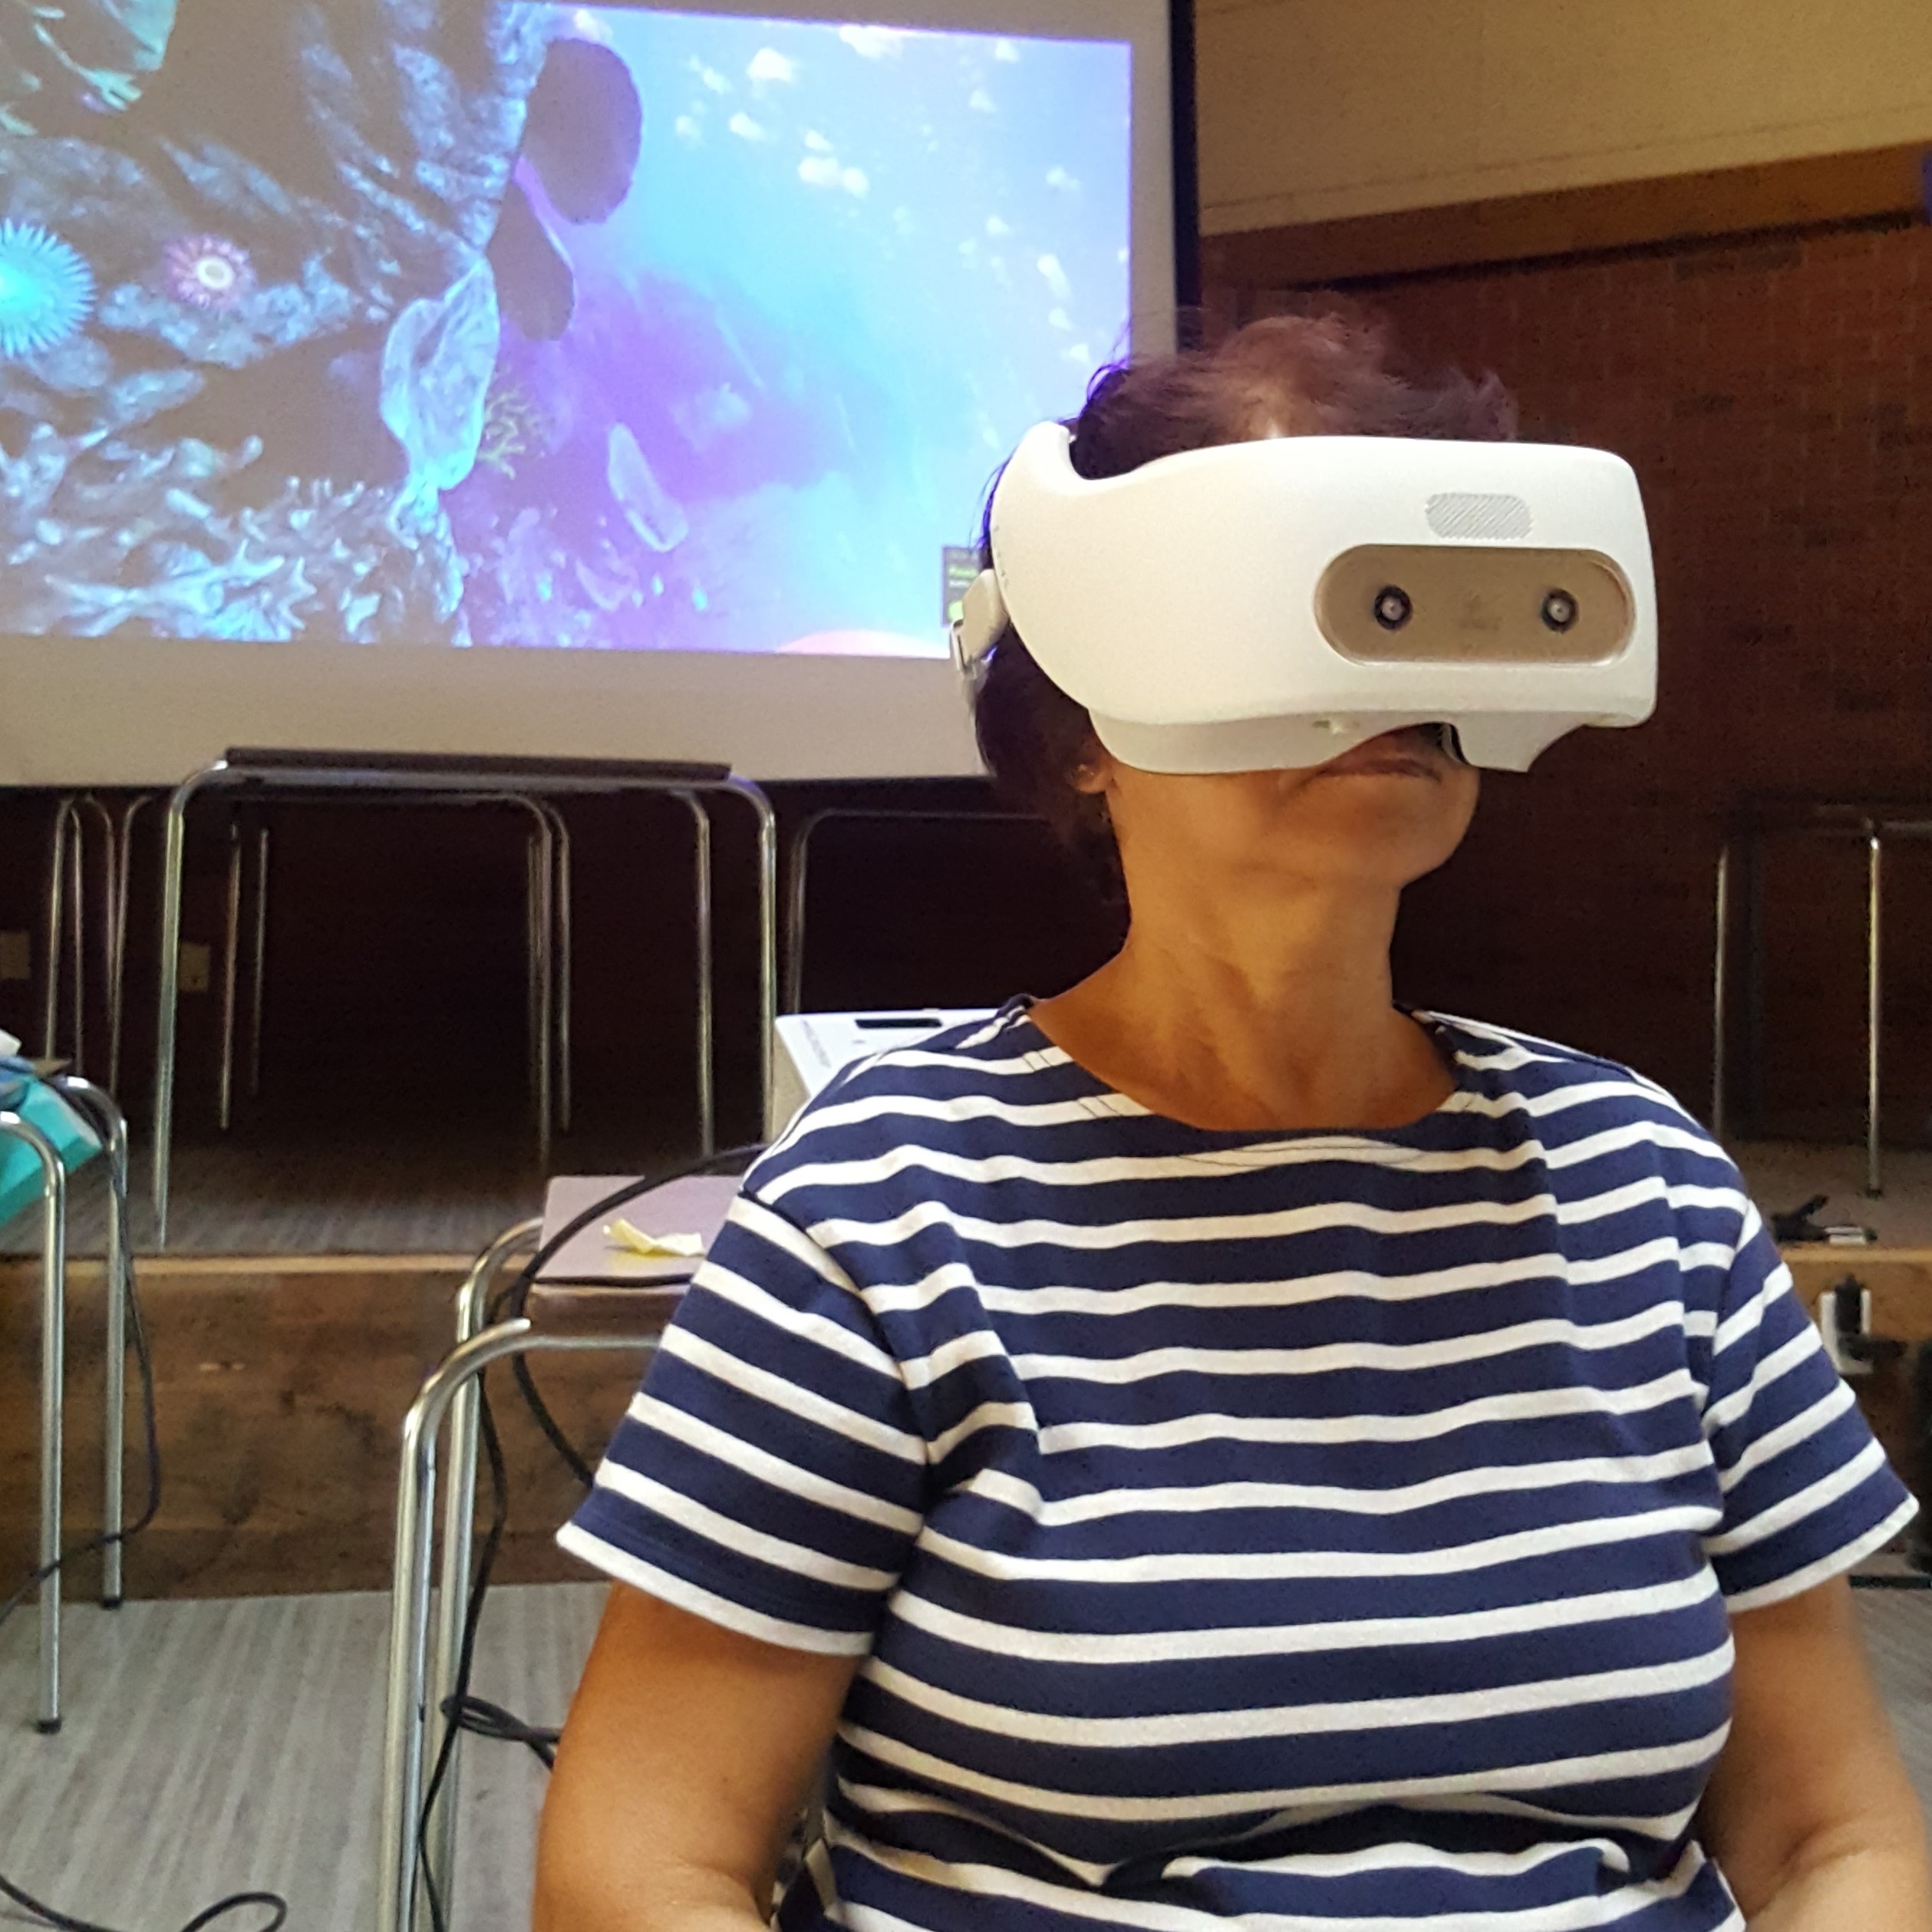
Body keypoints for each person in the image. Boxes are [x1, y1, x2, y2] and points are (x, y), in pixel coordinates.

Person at [535, 313, 1932, 1932]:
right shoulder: (875, 1212)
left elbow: (1836, 1835)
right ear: (1076, 737)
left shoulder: (1649, 1189)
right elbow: (638, 1864)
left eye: (1417, 608)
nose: (1385, 681)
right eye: (1301, 597)